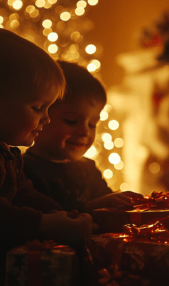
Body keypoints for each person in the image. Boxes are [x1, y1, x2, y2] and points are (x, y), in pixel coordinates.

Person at [0, 29, 94, 283]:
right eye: (37, 107)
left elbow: (24, 193)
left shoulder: (9, 155)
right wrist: (43, 224)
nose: (47, 118)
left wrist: (63, 215)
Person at [23, 60, 142, 214]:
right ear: (41, 116)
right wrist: (93, 209)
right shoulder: (26, 171)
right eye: (71, 121)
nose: (85, 132)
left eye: (92, 124)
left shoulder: (88, 169)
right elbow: (49, 222)